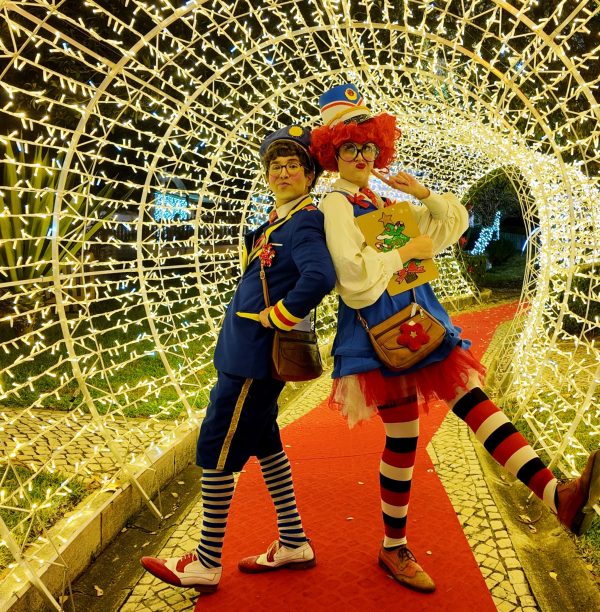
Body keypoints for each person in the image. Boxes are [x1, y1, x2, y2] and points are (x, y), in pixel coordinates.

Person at [309, 84, 600, 594]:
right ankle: (395, 546)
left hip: (417, 318)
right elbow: (352, 279)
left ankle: (555, 496)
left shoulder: (376, 199)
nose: (361, 157)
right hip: (380, 334)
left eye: (368, 146)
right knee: (404, 440)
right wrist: (406, 252)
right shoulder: (335, 204)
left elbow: (448, 227)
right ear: (332, 153)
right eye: (349, 147)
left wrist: (422, 196)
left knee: (471, 399)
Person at [140, 125, 336, 593]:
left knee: (217, 447)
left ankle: (206, 562)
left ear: (310, 175)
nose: (283, 173)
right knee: (267, 446)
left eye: (293, 165)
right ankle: (294, 543)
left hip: (253, 360)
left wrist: (282, 314)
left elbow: (320, 275)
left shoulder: (304, 221)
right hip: (244, 354)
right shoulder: (278, 222)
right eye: (275, 166)